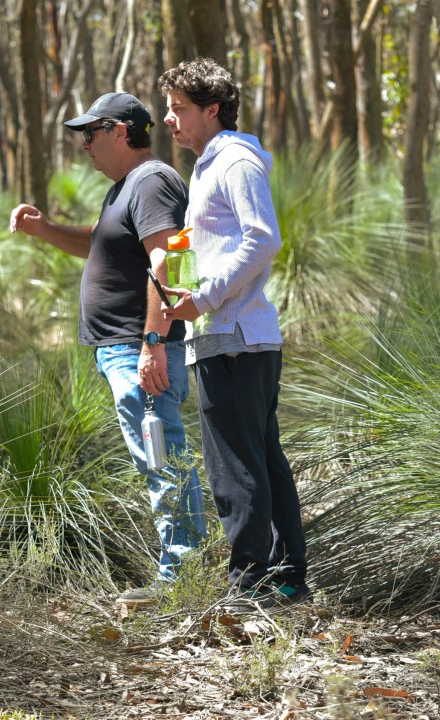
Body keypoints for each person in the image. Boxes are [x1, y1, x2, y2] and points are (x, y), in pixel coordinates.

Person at [8, 92, 206, 604]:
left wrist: (154, 341)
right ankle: (184, 570)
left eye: (90, 135)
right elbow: (97, 242)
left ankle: (184, 577)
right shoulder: (124, 189)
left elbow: (168, 260)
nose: (85, 148)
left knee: (162, 452)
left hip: (141, 348)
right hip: (125, 348)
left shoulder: (152, 181)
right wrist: (43, 229)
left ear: (121, 131)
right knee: (156, 455)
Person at [156, 59, 310, 606]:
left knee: (235, 469)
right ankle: (288, 580)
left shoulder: (235, 161)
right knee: (261, 460)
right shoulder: (208, 167)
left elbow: (263, 238)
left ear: (211, 109)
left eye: (179, 110)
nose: (169, 121)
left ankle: (251, 585)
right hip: (227, 336)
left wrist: (207, 295)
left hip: (236, 337)